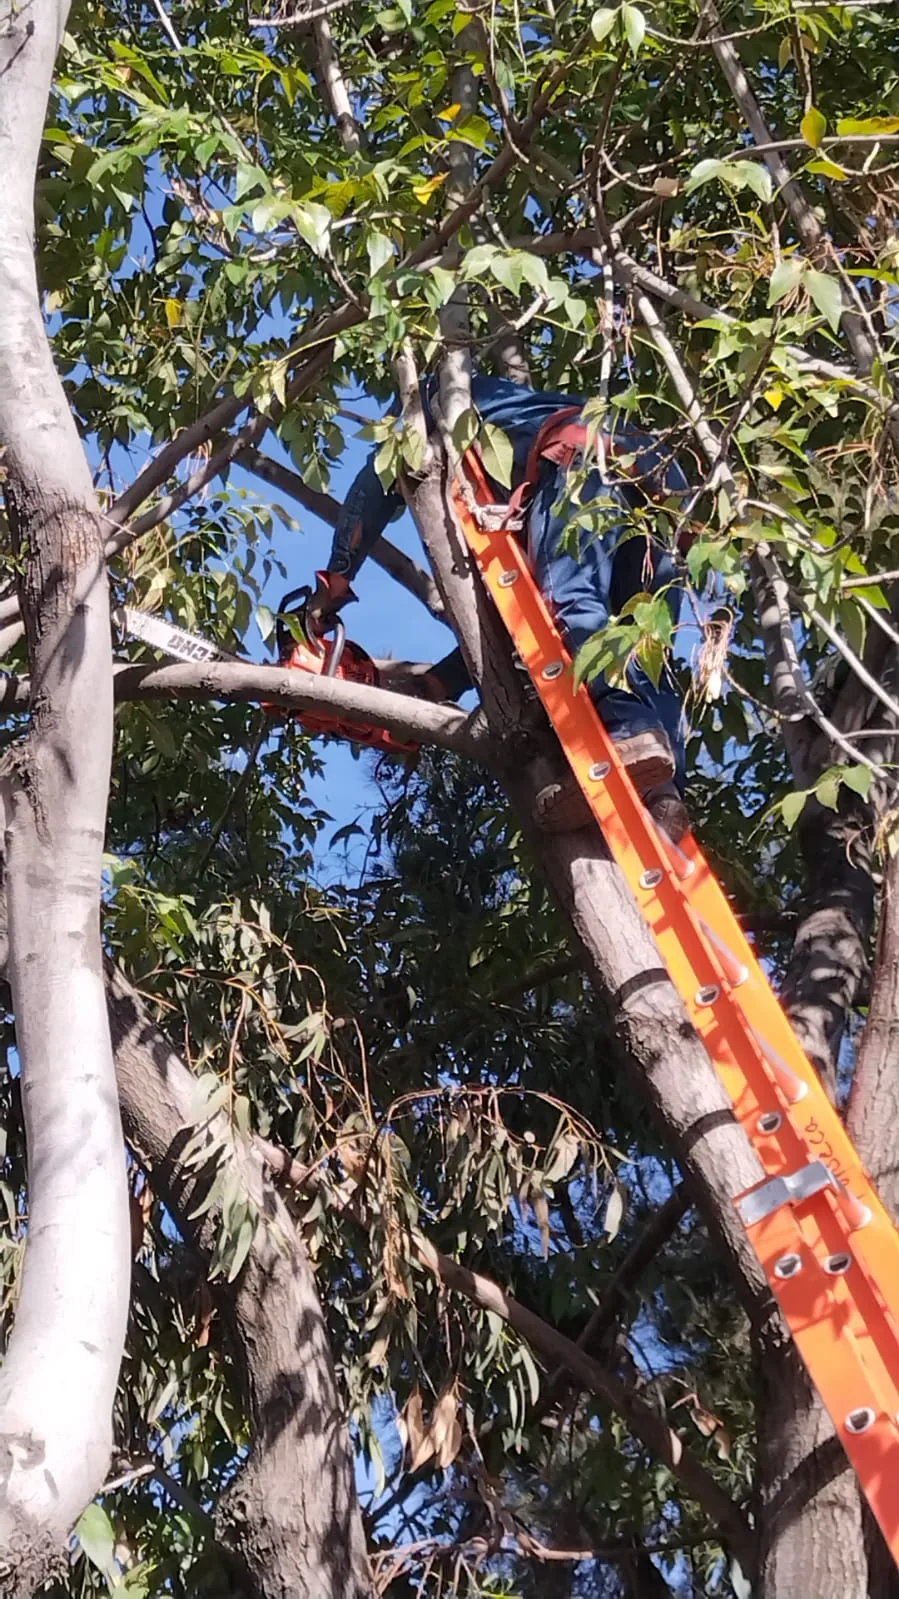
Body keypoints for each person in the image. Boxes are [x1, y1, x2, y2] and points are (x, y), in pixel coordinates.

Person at [312, 375, 690, 841]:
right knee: (642, 640)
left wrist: (332, 584)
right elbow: (515, 625)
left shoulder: (428, 401)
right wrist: (437, 684)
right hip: (662, 487)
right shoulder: (509, 420)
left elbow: (371, 487)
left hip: (582, 458)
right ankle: (665, 794)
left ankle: (629, 730)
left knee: (570, 603)